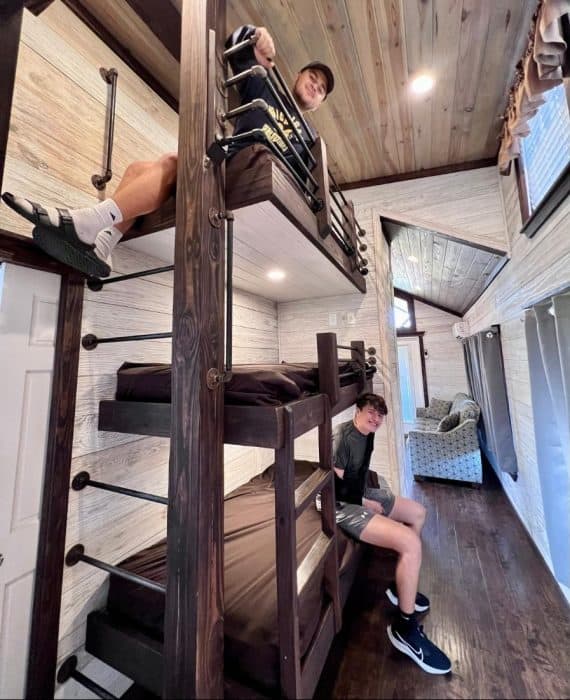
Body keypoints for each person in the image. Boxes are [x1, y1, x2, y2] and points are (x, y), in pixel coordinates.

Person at [1, 26, 334, 278]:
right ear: (298, 76)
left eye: (321, 89)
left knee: (176, 162)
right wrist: (255, 33)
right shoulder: (266, 86)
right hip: (233, 161)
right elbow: (235, 45)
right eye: (313, 77)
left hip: (253, 173)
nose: (315, 86)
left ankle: (89, 223)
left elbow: (308, 189)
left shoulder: (309, 137)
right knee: (137, 168)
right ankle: (102, 244)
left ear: (319, 103)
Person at [331, 392, 452, 675]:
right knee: (410, 543)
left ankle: (401, 587)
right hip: (340, 504)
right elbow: (333, 487)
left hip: (359, 493)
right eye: (371, 412)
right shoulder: (342, 437)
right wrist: (364, 503)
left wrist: (370, 496)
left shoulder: (368, 434)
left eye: (380, 415)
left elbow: (359, 474)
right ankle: (404, 629)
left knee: (418, 513)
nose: (376, 419)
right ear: (358, 410)